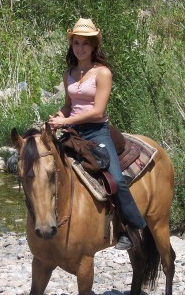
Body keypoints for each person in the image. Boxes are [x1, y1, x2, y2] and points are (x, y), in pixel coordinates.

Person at [48, 18, 146, 250]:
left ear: (93, 46)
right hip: (73, 131)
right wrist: (56, 117)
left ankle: (132, 227)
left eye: (85, 44)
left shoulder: (103, 73)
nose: (80, 48)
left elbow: (98, 111)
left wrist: (66, 120)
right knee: (47, 167)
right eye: (76, 43)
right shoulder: (69, 73)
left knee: (115, 180)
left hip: (97, 131)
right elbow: (68, 104)